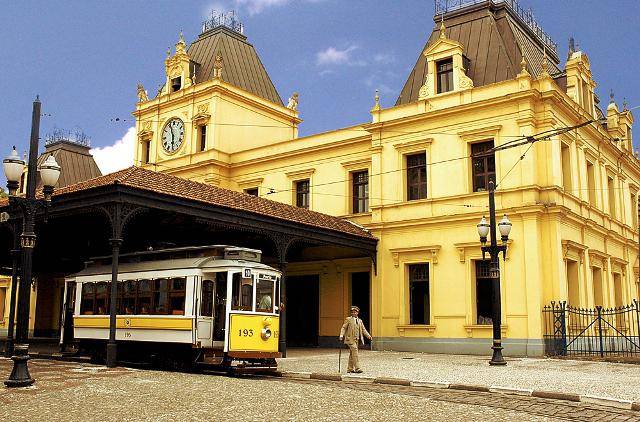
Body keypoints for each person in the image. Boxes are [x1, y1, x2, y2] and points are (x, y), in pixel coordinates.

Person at [339, 306, 372, 373]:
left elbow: (363, 329)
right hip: (350, 339)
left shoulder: (360, 321)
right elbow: (344, 328)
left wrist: (368, 336)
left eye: (355, 312)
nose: (354, 313)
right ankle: (357, 368)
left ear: (357, 312)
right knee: (355, 352)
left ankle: (350, 369)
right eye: (352, 312)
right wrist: (341, 335)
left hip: (356, 340)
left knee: (352, 354)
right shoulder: (348, 319)